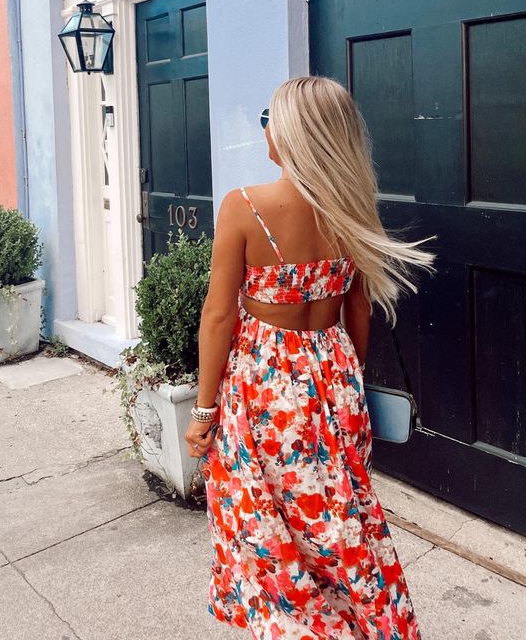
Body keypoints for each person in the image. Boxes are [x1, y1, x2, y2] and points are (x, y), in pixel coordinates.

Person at [184, 76, 434, 640]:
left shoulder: (245, 207)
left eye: (269, 118)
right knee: (339, 518)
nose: (264, 129)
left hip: (265, 390)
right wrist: (349, 382)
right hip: (332, 374)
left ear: (294, 132)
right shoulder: (352, 209)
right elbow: (358, 310)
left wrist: (203, 412)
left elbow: (218, 318)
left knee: (266, 523)